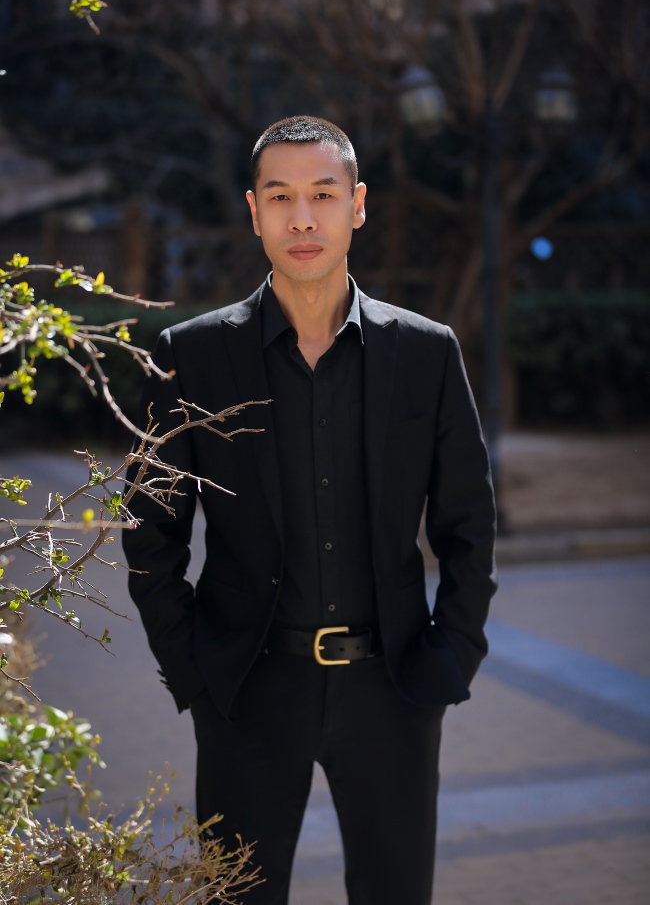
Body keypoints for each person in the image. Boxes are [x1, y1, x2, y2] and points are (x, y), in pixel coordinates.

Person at [123, 115, 497, 905]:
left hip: (394, 688)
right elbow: (150, 532)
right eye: (280, 196)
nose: (302, 218)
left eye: (323, 195)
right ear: (253, 210)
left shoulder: (427, 352)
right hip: (248, 690)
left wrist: (453, 653)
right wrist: (195, 670)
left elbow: (468, 522)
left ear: (356, 206)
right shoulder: (190, 355)